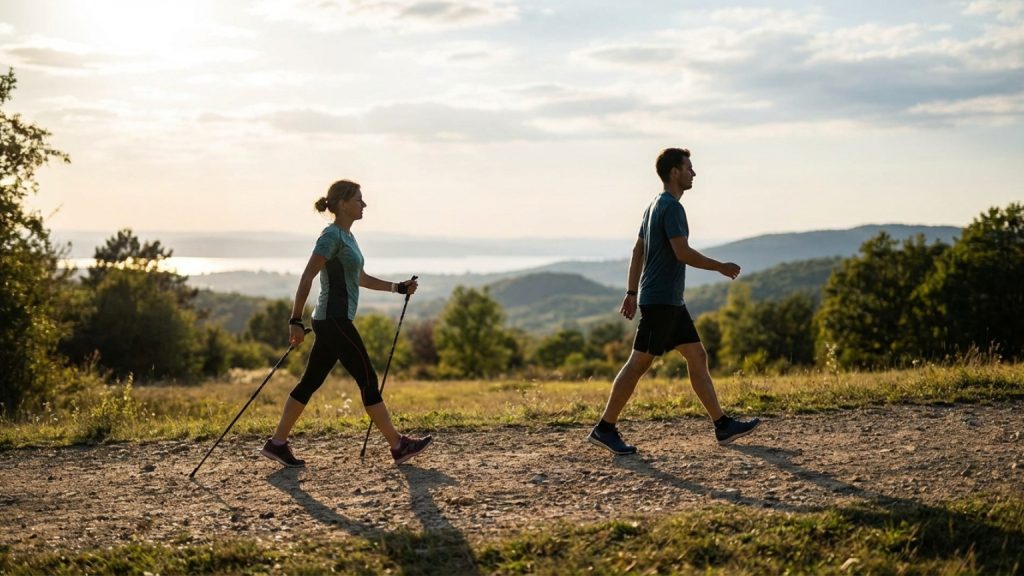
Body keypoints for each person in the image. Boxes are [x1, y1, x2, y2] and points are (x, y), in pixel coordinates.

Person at [588, 148, 761, 455]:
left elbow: (637, 251)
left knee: (697, 355)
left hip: (669, 302)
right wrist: (719, 266)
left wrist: (631, 293)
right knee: (638, 364)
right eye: (689, 168)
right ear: (674, 172)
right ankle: (605, 428)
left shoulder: (653, 205)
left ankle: (722, 425)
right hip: (661, 302)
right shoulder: (672, 208)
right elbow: (682, 252)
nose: (694, 173)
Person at [261, 179, 433, 467]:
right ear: (342, 204)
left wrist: (397, 288)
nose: (364, 204)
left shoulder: (348, 237)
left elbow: (360, 278)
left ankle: (277, 443)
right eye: (358, 200)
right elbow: (307, 276)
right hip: (334, 320)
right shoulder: (331, 237)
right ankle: (398, 445)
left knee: (310, 381)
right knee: (367, 378)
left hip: (331, 320)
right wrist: (294, 319)